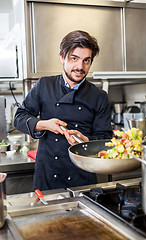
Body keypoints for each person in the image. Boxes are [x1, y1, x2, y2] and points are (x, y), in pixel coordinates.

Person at [14, 30, 113, 191]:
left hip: (83, 177)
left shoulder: (99, 96)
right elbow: (19, 117)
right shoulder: (44, 85)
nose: (80, 67)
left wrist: (86, 140)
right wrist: (44, 124)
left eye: (86, 61)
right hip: (48, 176)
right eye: (74, 58)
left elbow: (106, 139)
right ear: (62, 57)